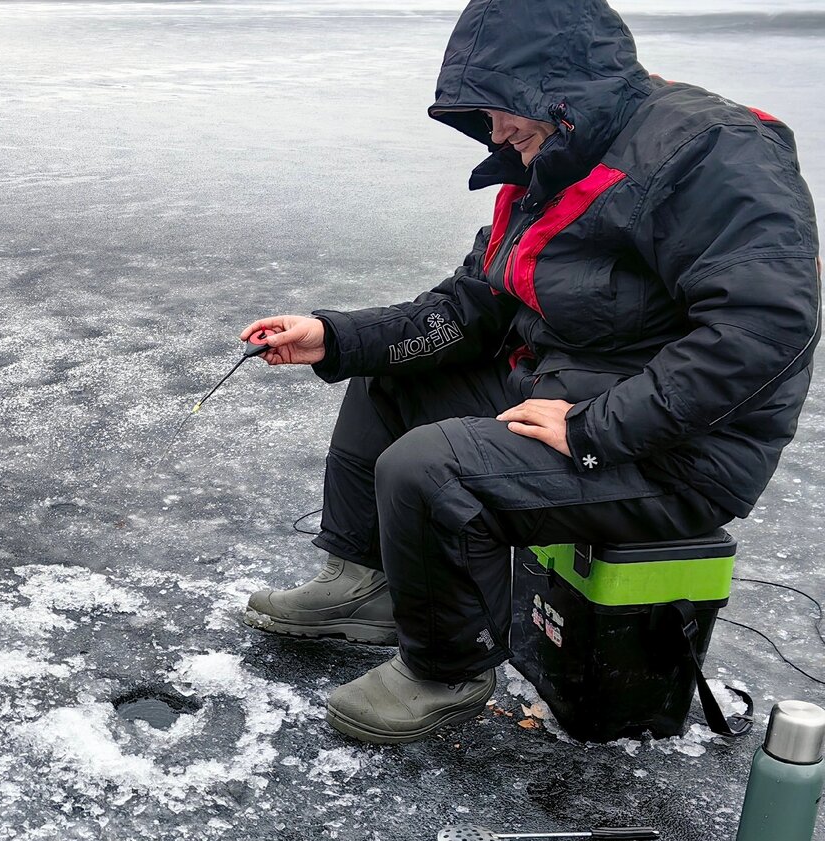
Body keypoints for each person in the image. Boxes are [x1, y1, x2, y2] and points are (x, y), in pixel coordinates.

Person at [240, 0, 820, 745]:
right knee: (392, 380)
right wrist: (338, 336)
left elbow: (765, 329)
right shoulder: (553, 157)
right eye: (484, 114)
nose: (496, 131)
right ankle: (368, 586)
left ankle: (446, 671)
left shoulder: (713, 152)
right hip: (566, 393)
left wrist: (595, 431)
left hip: (675, 450)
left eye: (504, 110)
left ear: (564, 88)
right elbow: (479, 300)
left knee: (434, 467)